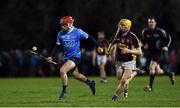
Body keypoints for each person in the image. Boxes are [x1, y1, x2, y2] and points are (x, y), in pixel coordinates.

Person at [47, 16, 99, 99]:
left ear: (69, 24)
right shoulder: (60, 34)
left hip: (76, 57)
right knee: (76, 75)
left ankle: (64, 92)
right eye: (61, 25)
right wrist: (51, 56)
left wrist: (98, 46)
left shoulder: (78, 32)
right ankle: (90, 83)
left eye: (63, 25)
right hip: (67, 58)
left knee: (62, 70)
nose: (62, 27)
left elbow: (90, 38)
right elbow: (57, 47)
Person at [109, 19, 142, 101]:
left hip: (129, 61)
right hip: (119, 61)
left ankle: (115, 96)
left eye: (122, 25)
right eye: (120, 25)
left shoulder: (133, 37)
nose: (120, 27)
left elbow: (140, 52)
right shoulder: (117, 35)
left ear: (127, 27)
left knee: (124, 80)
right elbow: (110, 48)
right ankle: (135, 72)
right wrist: (111, 49)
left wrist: (129, 51)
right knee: (119, 78)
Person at [142, 17, 175, 92]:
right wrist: (144, 45)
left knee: (151, 67)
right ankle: (170, 74)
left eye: (152, 22)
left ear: (155, 23)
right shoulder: (145, 32)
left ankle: (150, 87)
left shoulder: (160, 31)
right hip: (150, 53)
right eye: (149, 22)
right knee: (158, 71)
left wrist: (166, 46)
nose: (151, 23)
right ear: (148, 23)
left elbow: (169, 38)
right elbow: (143, 41)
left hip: (159, 53)